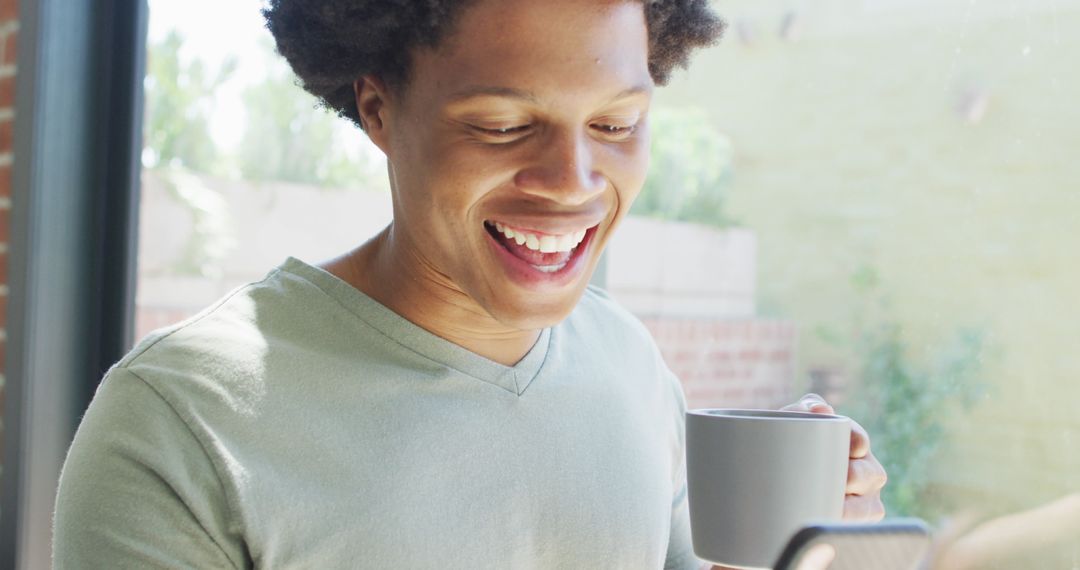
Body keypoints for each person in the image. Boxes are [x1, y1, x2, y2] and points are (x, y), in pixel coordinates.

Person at [52, 0, 887, 568]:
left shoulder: (629, 363)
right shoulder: (179, 423)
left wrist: (792, 550)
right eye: (503, 124)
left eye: (615, 123)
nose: (572, 181)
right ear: (378, 109)